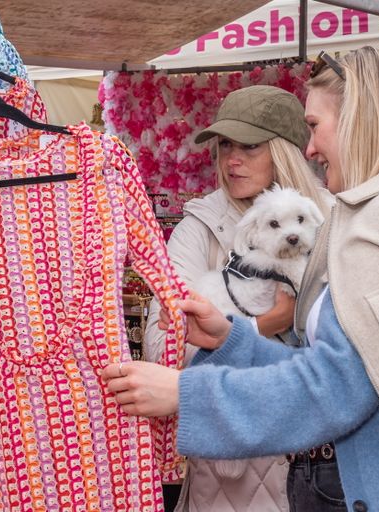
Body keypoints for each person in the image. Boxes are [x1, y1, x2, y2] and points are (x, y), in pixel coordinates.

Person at [104, 47, 379, 511]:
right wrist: (233, 340)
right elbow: (354, 369)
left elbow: (339, 388)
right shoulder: (369, 217)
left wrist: (188, 395)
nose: (309, 149)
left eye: (315, 125)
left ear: (360, 121)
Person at [143, 85, 333, 512]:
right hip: (233, 466)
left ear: (284, 150)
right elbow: (161, 345)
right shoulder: (200, 227)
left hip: (321, 458)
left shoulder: (331, 217)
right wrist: (265, 324)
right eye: (225, 145)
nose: (231, 159)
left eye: (249, 146)